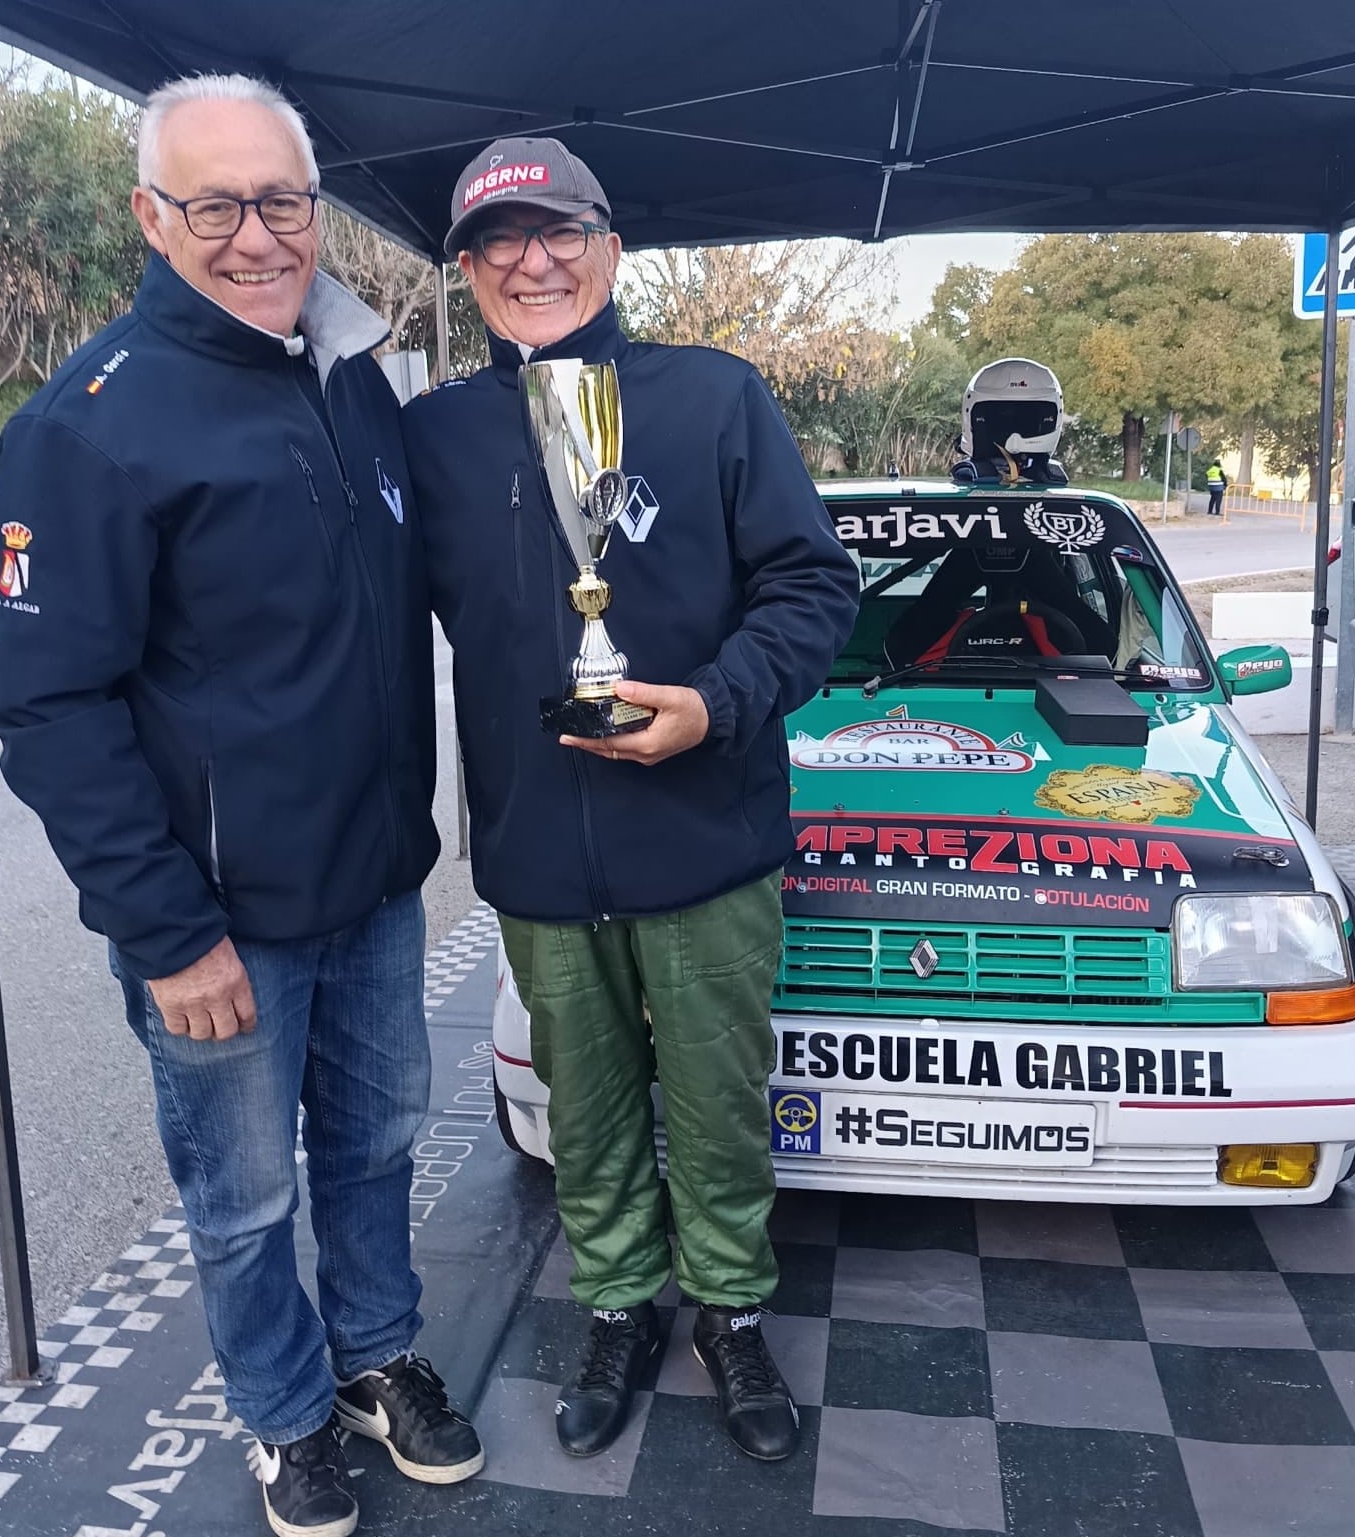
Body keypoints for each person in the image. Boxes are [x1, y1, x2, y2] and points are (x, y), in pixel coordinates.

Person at [0, 74, 482, 1537]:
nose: (256, 233)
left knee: (379, 1145)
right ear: (151, 214)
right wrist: (162, 929)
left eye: (279, 199)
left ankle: (378, 1353)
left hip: (377, 886)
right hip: (218, 927)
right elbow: (50, 707)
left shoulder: (356, 383)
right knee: (246, 1195)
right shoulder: (89, 423)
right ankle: (281, 1409)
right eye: (215, 202)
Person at [403, 137, 859, 1464]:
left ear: (610, 248)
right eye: (500, 241)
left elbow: (812, 590)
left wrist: (712, 703)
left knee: (718, 1098)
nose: (533, 260)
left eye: (560, 233)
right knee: (586, 1106)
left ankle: (726, 1308)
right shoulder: (429, 437)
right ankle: (617, 1302)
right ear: (470, 270)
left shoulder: (713, 399)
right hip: (542, 853)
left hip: (708, 835)